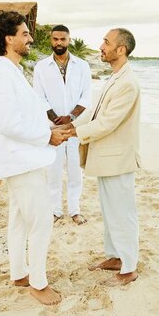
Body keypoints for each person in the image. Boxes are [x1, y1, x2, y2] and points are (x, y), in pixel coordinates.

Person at [0, 11, 67, 305]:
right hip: (19, 161)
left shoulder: (13, 72)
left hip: (25, 157)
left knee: (18, 217)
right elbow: (9, 124)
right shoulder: (0, 76)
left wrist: (51, 128)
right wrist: (47, 137)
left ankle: (19, 272)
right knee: (42, 220)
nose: (30, 39)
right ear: (9, 39)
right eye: (24, 34)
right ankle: (38, 283)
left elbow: (25, 116)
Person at [60, 28, 140, 286]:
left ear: (121, 49)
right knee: (110, 212)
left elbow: (107, 123)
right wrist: (68, 125)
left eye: (106, 42)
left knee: (123, 212)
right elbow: (94, 113)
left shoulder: (127, 82)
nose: (101, 46)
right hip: (107, 158)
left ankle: (129, 267)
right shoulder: (114, 78)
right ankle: (115, 257)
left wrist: (74, 133)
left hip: (118, 159)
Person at [33, 24, 92, 225]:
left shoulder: (82, 65)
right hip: (51, 126)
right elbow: (39, 97)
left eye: (63, 39)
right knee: (54, 168)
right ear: (51, 40)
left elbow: (87, 96)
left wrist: (72, 117)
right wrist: (55, 118)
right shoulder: (41, 67)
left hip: (76, 126)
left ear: (69, 40)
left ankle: (75, 210)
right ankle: (55, 210)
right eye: (55, 39)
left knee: (75, 169)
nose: (59, 43)